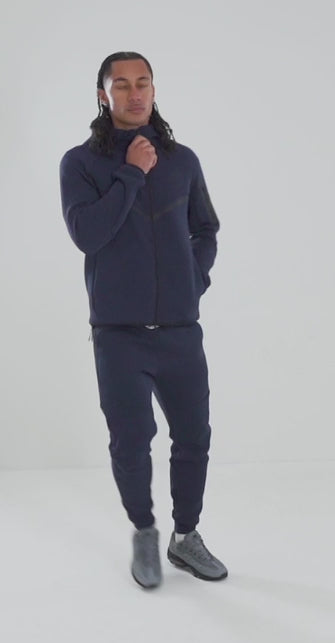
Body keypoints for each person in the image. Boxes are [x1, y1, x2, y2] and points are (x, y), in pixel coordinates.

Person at [59, 51, 227, 589]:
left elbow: (206, 229)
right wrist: (131, 172)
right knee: (131, 441)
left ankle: (186, 536)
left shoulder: (183, 161)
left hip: (180, 331)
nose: (135, 94)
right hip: (118, 334)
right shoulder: (80, 163)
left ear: (154, 90)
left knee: (194, 436)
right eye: (122, 85)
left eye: (143, 83)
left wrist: (193, 281)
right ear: (103, 95)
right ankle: (144, 532)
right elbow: (87, 234)